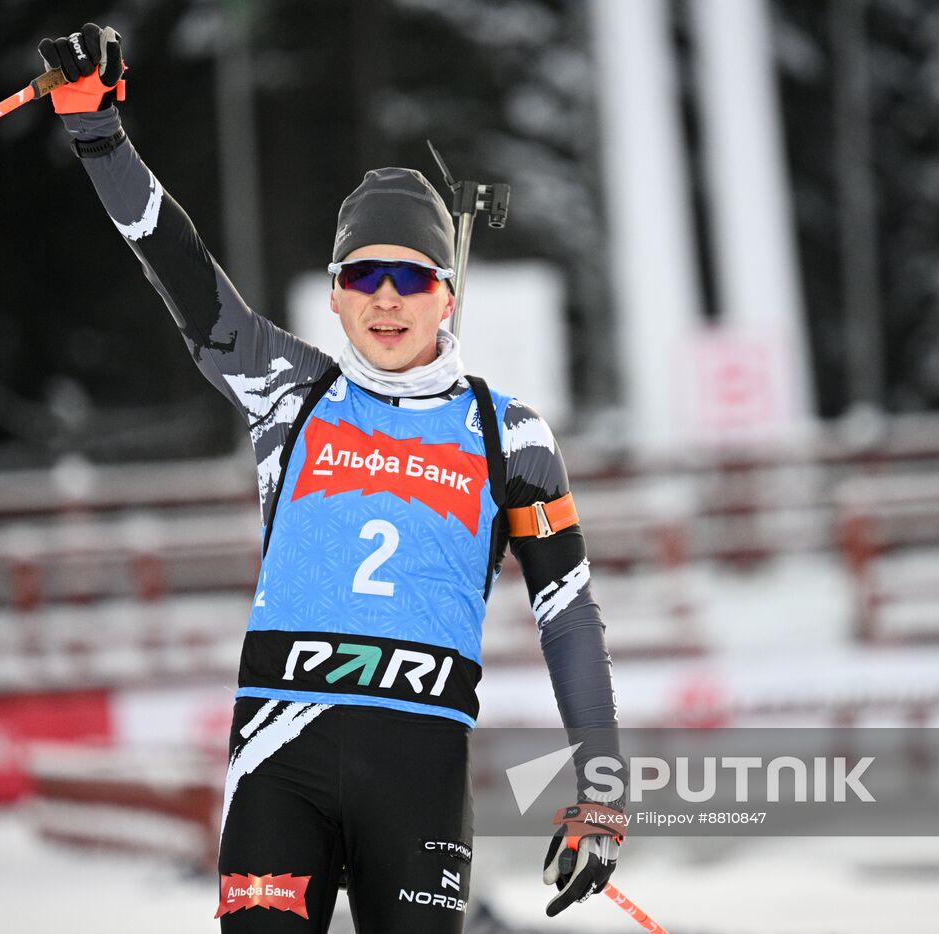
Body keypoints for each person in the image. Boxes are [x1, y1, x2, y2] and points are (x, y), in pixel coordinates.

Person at [38, 24, 627, 933]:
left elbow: (570, 613)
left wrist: (602, 788)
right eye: (365, 276)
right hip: (281, 764)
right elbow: (178, 265)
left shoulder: (508, 433)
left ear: (446, 293)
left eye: (409, 276)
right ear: (335, 292)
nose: (386, 298)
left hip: (419, 777)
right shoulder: (289, 392)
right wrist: (98, 136)